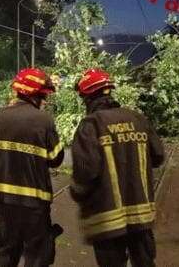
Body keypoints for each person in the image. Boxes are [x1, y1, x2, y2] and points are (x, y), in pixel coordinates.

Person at [0, 67, 64, 267]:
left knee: (6, 252)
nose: (44, 101)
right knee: (36, 255)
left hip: (3, 198)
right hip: (34, 200)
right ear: (37, 96)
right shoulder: (43, 120)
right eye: (44, 96)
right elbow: (56, 158)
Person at [70, 68, 164, 267]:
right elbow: (158, 156)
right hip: (141, 215)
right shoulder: (137, 118)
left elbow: (86, 173)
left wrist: (77, 193)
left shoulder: (90, 125)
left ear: (87, 98)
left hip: (106, 219)